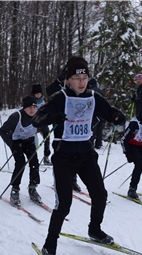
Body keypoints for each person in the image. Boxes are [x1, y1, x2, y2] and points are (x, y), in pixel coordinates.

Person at [33, 55, 125, 255]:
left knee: (100, 195)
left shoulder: (94, 97)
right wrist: (52, 117)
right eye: (76, 78)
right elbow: (36, 119)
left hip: (86, 155)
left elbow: (109, 113)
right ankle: (50, 244)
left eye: (84, 77)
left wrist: (118, 116)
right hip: (64, 157)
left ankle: (95, 230)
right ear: (68, 80)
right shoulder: (59, 97)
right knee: (63, 204)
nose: (81, 82)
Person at [45, 61, 83, 192]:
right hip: (61, 123)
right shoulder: (59, 87)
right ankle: (61, 179)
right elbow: (49, 91)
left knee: (76, 153)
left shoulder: (77, 87)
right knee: (61, 152)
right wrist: (58, 80)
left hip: (75, 124)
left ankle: (73, 180)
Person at [0, 96, 42, 206]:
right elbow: (2, 131)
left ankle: (33, 187)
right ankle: (15, 189)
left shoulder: (37, 116)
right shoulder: (16, 116)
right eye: (29, 107)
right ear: (24, 107)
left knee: (34, 163)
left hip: (29, 141)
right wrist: (12, 144)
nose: (32, 110)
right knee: (20, 163)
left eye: (34, 107)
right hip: (16, 142)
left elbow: (43, 128)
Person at [31, 84, 52, 165]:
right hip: (33, 123)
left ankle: (46, 157)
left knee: (47, 136)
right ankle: (33, 158)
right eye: (36, 94)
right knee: (34, 142)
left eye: (39, 94)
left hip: (42, 123)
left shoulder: (45, 100)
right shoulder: (31, 101)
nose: (38, 95)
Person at [87, 78, 105, 149]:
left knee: (93, 129)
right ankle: (98, 143)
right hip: (102, 114)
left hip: (94, 113)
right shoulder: (101, 92)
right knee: (99, 129)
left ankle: (91, 143)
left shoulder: (91, 92)